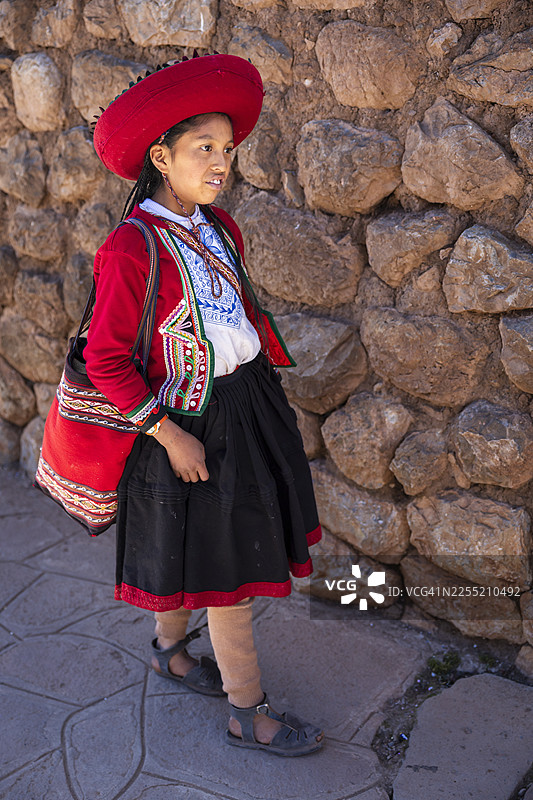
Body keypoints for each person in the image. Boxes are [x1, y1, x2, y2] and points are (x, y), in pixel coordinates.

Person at [87, 52, 324, 756]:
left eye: (226, 148)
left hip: (245, 408)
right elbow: (105, 360)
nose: (221, 162)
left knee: (194, 547)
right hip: (186, 424)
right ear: (161, 157)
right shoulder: (130, 250)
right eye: (203, 148)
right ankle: (247, 711)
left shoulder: (219, 229)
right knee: (228, 571)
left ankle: (169, 652)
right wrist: (168, 435)